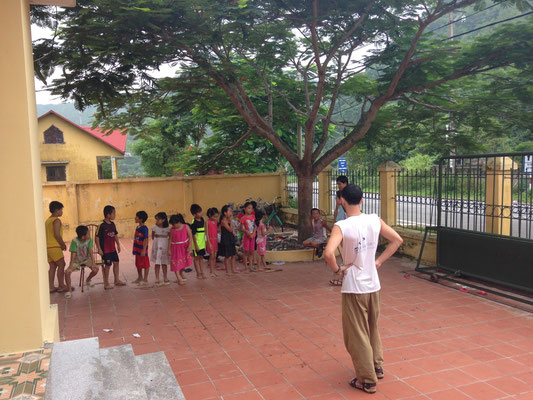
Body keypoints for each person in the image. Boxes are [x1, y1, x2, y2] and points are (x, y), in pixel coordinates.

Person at [324, 184, 403, 394]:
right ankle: (376, 366)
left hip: (354, 286)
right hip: (373, 285)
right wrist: (378, 262)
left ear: (342, 201)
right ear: (361, 200)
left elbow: (329, 253)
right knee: (371, 327)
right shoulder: (374, 220)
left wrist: (338, 270)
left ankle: (367, 380)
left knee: (356, 334)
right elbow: (397, 240)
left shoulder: (342, 226)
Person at [95, 205, 125, 289]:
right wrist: (99, 249)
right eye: (114, 213)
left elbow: (115, 235)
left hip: (112, 249)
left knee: (116, 262)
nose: (115, 215)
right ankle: (106, 283)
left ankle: (116, 280)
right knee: (107, 266)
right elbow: (96, 237)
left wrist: (118, 244)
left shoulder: (112, 224)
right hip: (106, 250)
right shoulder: (101, 225)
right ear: (108, 215)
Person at [64, 225, 98, 298]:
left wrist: (93, 263)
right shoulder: (74, 241)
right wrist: (70, 266)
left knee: (96, 269)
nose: (90, 234)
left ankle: (88, 280)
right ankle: (69, 290)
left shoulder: (89, 240)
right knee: (67, 272)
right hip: (76, 261)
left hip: (86, 259)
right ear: (83, 237)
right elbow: (73, 253)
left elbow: (90, 251)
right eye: (88, 233)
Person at [46, 201, 68, 293]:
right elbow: (57, 235)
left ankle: (51, 286)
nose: (62, 211)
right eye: (61, 209)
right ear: (56, 210)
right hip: (54, 246)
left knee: (52, 266)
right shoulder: (56, 220)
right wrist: (62, 244)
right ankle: (61, 285)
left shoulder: (48, 220)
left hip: (48, 247)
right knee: (61, 264)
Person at [169, 214, 193, 285]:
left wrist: (190, 246)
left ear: (179, 222)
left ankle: (181, 273)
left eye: (174, 224)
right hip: (175, 248)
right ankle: (179, 278)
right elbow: (170, 239)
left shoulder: (186, 227)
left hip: (184, 247)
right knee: (176, 263)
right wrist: (169, 249)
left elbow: (190, 236)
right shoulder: (172, 230)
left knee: (184, 262)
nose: (173, 226)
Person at [151, 212, 171, 286]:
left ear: (163, 220)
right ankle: (157, 277)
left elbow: (170, 238)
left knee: (164, 262)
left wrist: (169, 248)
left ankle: (165, 277)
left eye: (158, 219)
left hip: (165, 245)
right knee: (157, 262)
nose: (156, 221)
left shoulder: (168, 229)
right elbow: (152, 237)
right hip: (157, 246)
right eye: (156, 219)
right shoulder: (154, 228)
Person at [132, 211, 150, 285]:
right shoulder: (137, 227)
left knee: (145, 264)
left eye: (137, 217)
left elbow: (146, 239)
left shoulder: (144, 228)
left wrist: (144, 250)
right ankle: (140, 277)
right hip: (137, 249)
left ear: (141, 219)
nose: (135, 218)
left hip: (142, 249)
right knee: (138, 263)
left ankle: (145, 279)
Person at [219, 205, 237, 275]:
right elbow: (230, 229)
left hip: (230, 238)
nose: (231, 213)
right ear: (225, 213)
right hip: (226, 239)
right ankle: (227, 271)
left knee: (233, 255)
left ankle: (233, 269)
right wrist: (230, 221)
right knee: (227, 256)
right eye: (229, 211)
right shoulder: (223, 221)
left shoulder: (228, 220)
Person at [189, 204, 207, 279]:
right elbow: (193, 235)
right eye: (198, 212)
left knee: (201, 258)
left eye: (200, 212)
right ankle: (198, 273)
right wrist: (196, 245)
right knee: (196, 258)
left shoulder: (202, 220)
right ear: (194, 214)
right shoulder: (194, 222)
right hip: (196, 244)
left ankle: (202, 272)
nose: (200, 213)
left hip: (202, 243)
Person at [239, 202, 256, 272]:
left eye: (251, 208)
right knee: (246, 252)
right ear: (245, 209)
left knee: (251, 251)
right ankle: (246, 267)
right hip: (246, 237)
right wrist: (246, 231)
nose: (250, 210)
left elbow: (255, 226)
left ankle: (251, 267)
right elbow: (240, 228)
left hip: (253, 236)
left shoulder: (253, 217)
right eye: (249, 208)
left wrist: (253, 233)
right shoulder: (243, 218)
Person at [206, 208, 219, 277]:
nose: (215, 218)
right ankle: (211, 271)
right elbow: (207, 233)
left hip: (215, 240)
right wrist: (209, 243)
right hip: (210, 241)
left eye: (216, 217)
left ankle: (213, 271)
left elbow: (217, 230)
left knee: (215, 256)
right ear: (210, 215)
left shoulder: (216, 222)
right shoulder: (207, 222)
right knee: (212, 256)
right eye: (214, 216)